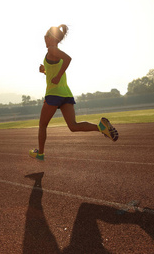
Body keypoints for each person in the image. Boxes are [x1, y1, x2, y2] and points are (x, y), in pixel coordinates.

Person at [29, 24, 118, 161]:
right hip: (66, 94)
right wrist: (45, 71)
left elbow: (68, 59)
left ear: (52, 38)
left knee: (42, 125)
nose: (44, 39)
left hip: (53, 94)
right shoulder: (53, 52)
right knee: (73, 126)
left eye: (46, 36)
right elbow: (55, 69)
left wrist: (58, 76)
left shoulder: (52, 49)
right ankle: (101, 127)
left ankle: (40, 153)